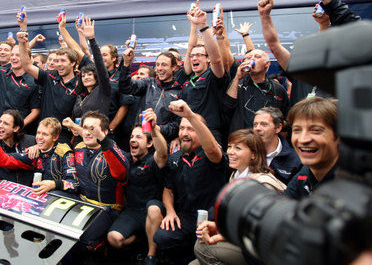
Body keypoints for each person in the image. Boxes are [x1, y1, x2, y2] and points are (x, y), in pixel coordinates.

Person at [191, 129, 286, 265]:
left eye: (238, 148)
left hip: (262, 253)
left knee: (202, 248)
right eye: (230, 147)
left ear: (253, 154)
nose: (230, 152)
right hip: (241, 242)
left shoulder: (262, 184)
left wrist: (224, 234)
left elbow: (264, 231)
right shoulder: (235, 176)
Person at [152, 100, 228, 262]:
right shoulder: (176, 158)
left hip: (212, 219)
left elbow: (213, 149)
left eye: (191, 129)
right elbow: (168, 189)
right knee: (162, 237)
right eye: (181, 128)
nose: (184, 133)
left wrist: (190, 115)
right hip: (186, 216)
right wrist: (170, 211)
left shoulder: (210, 155)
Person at [107, 108, 168, 264]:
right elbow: (108, 149)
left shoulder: (153, 159)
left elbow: (162, 154)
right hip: (132, 212)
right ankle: (141, 239)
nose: (133, 139)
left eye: (139, 137)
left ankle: (151, 256)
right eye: (132, 136)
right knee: (113, 239)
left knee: (153, 209)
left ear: (149, 143)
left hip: (153, 211)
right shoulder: (125, 159)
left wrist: (153, 130)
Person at [17, 20, 91, 142]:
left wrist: (63, 29)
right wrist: (21, 43)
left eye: (62, 61)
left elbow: (84, 54)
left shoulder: (81, 82)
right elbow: (26, 65)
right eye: (56, 61)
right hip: (43, 135)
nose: (58, 64)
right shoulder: (49, 76)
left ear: (73, 63)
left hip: (65, 138)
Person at [258, 0, 331, 107]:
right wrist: (264, 15)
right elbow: (274, 45)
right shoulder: (300, 73)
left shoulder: (337, 79)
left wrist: (324, 24)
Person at [72, 110, 129, 251]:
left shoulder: (113, 151)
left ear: (104, 132)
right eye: (85, 128)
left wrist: (103, 139)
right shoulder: (78, 148)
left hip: (107, 209)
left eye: (93, 129)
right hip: (82, 202)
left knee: (85, 241)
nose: (87, 132)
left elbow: (121, 174)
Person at [0, 117, 79, 195]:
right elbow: (4, 160)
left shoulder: (65, 152)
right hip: (39, 197)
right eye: (38, 133)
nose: (39, 137)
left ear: (55, 137)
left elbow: (74, 184)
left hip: (61, 199)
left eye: (45, 134)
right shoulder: (34, 153)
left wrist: (54, 184)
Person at [181, 2, 228, 142]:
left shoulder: (213, 76)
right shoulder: (188, 80)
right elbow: (190, 47)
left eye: (199, 55)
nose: (194, 58)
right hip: (188, 133)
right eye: (192, 56)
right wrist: (192, 25)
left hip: (210, 132)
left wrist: (202, 25)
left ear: (207, 60)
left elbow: (217, 59)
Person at [119, 49, 183, 141]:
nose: (159, 68)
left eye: (164, 65)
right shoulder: (148, 83)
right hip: (140, 139)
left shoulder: (179, 92)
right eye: (157, 65)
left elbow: (177, 124)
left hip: (161, 141)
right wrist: (126, 65)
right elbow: (126, 87)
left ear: (173, 67)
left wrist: (157, 129)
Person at [283, 97, 339, 200]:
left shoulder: (359, 183)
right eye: (297, 130)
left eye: (316, 130)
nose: (303, 139)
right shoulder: (304, 174)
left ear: (338, 136)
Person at [223, 48, 289, 134]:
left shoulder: (277, 88)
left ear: (267, 63)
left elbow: (285, 118)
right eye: (249, 57)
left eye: (257, 57)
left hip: (266, 139)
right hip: (242, 138)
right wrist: (237, 78)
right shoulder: (238, 82)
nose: (252, 59)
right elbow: (227, 107)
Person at [72, 17, 111, 118]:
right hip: (81, 132)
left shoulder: (103, 90)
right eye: (83, 75)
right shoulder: (82, 95)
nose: (86, 77)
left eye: (89, 74)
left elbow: (100, 67)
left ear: (96, 76)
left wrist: (91, 40)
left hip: (98, 132)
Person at [253, 107, 301, 184]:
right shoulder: (246, 153)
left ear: (278, 128)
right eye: (255, 125)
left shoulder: (295, 160)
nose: (257, 128)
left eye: (264, 124)